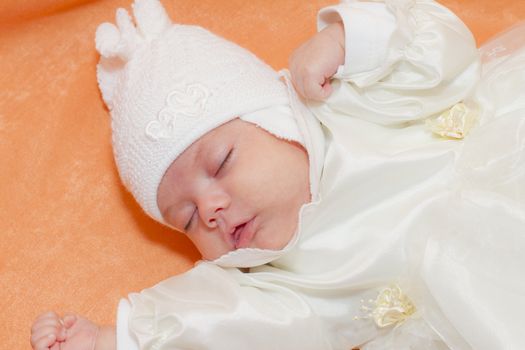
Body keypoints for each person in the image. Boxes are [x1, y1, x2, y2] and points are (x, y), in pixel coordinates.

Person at [30, 0, 525, 349]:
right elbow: (221, 324)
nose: (210, 209)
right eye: (185, 220)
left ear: (279, 118)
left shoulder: (344, 106)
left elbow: (439, 54)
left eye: (221, 162)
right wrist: (115, 337)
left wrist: (348, 41)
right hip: (480, 294)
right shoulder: (278, 286)